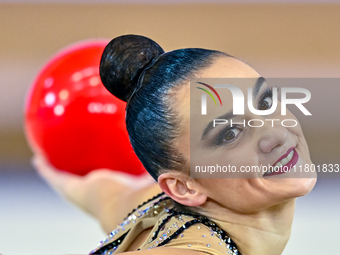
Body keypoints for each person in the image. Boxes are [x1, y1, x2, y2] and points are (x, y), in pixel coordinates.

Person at [32, 34, 317, 255]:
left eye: (264, 102)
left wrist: (52, 169)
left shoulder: (144, 203)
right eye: (230, 134)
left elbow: (95, 189)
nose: (275, 134)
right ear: (184, 187)